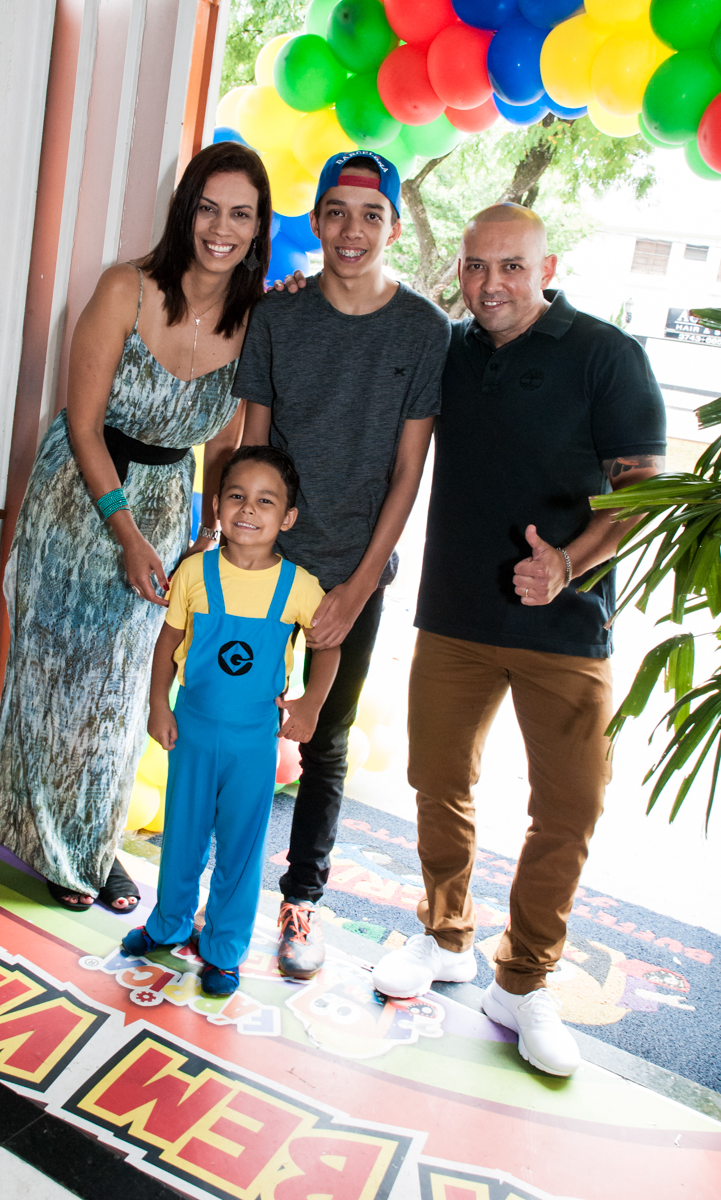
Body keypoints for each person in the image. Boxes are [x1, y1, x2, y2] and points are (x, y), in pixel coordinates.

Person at [372, 204, 666, 1077]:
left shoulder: (606, 355)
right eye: (473, 267)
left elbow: (641, 485)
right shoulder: (449, 350)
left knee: (570, 805)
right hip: (454, 615)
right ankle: (444, 936)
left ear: (546, 267)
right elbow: (368, 313)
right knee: (437, 782)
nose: (488, 285)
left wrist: (567, 568)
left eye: (508, 267)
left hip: (566, 625)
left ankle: (524, 981)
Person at [0, 143, 272, 912]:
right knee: (58, 673)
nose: (221, 227)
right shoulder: (126, 287)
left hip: (170, 504)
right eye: (208, 207)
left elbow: (226, 442)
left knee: (123, 684)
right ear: (186, 210)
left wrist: (212, 528)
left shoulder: (255, 318)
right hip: (84, 494)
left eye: (241, 213)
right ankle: (51, 842)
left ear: (258, 226)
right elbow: (81, 425)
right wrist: (126, 531)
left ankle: (96, 843)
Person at [236, 150, 451, 978]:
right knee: (240, 722)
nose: (351, 230)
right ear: (317, 221)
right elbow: (253, 444)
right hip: (263, 567)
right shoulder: (278, 317)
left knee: (323, 740)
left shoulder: (422, 331)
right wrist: (240, 556)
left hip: (356, 572)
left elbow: (408, 472)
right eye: (335, 212)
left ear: (392, 226)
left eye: (369, 215)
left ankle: (302, 903)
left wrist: (358, 586)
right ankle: (220, 889)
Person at [122, 446, 339, 995]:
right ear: (216, 505)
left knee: (242, 848)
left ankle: (223, 950)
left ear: (287, 518)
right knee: (183, 836)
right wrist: (158, 705)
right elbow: (168, 641)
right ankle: (167, 924)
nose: (249, 509)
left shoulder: (299, 586)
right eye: (237, 496)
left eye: (266, 501)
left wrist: (311, 703)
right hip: (192, 730)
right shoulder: (195, 572)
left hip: (253, 743)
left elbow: (328, 646)